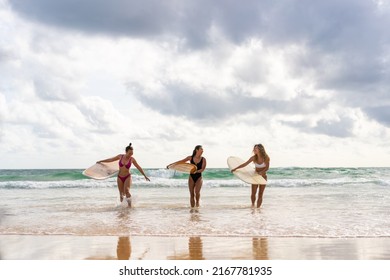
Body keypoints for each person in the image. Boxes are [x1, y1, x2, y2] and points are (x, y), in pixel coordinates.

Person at [97, 143, 150, 207]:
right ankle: (122, 208)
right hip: (120, 177)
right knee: (121, 194)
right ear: (126, 152)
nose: (131, 155)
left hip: (127, 176)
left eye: (132, 153)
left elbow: (138, 167)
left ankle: (129, 206)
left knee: (127, 191)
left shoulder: (132, 159)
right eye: (129, 153)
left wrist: (145, 176)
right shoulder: (120, 156)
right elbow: (111, 159)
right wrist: (101, 161)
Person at [231, 144, 270, 208]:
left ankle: (258, 208)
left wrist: (261, 172)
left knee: (260, 194)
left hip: (263, 177)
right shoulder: (254, 157)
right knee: (253, 193)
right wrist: (235, 168)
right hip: (255, 177)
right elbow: (245, 164)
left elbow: (267, 168)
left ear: (260, 149)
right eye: (254, 148)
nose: (254, 149)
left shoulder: (266, 157)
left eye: (256, 148)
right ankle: (253, 206)